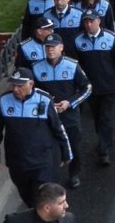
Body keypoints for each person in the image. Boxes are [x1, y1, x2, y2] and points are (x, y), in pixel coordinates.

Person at [0, 69, 72, 208]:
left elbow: (58, 129)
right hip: (17, 163)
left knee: (43, 198)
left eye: (20, 86)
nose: (15, 89)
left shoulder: (44, 100)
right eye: (13, 85)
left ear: (31, 84)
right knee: (27, 196)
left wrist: (66, 153)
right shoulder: (3, 101)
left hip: (42, 162)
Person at [30, 34, 92, 189]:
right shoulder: (36, 67)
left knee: (74, 146)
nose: (50, 50)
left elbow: (87, 88)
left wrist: (70, 103)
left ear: (61, 47)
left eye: (53, 46)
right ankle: (50, 179)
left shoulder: (72, 66)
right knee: (48, 148)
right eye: (47, 47)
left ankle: (74, 174)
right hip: (47, 117)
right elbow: (32, 92)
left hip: (69, 116)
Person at [72, 9, 115, 166]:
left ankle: (104, 151)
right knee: (98, 117)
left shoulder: (110, 37)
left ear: (98, 21)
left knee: (105, 117)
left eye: (92, 21)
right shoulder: (78, 40)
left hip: (108, 85)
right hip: (90, 88)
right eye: (86, 21)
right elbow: (77, 66)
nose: (89, 24)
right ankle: (106, 138)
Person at [3, 182, 75, 222]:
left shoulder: (68, 219)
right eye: (61, 203)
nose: (66, 205)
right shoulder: (15, 221)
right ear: (47, 208)